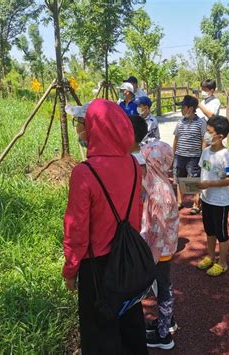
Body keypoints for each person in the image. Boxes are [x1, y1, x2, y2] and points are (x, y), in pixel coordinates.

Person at [62, 99, 148, 355]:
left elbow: (76, 230)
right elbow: (137, 211)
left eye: (82, 125)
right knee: (130, 324)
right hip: (127, 259)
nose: (80, 131)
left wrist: (70, 270)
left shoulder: (84, 172)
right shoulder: (133, 164)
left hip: (96, 266)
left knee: (100, 332)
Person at [140, 141, 179, 350]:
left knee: (163, 288)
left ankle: (164, 335)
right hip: (164, 248)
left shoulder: (157, 190)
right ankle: (165, 322)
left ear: (154, 162)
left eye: (146, 160)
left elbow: (157, 229)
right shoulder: (161, 181)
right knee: (163, 287)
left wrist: (147, 253)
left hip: (158, 250)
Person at [196, 115, 229, 276]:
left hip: (219, 202)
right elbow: (203, 173)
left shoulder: (224, 156)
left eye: (209, 132)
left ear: (220, 136)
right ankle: (211, 256)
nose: (206, 134)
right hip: (206, 198)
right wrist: (199, 193)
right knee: (209, 230)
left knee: (221, 233)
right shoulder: (206, 151)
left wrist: (211, 184)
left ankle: (222, 262)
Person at [173, 95, 206, 215]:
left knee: (193, 179)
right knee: (179, 178)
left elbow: (204, 140)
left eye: (183, 107)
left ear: (190, 108)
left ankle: (196, 203)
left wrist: (202, 156)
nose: (181, 110)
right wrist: (173, 155)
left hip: (194, 156)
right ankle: (179, 202)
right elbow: (176, 139)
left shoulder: (201, 123)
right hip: (180, 155)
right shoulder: (180, 122)